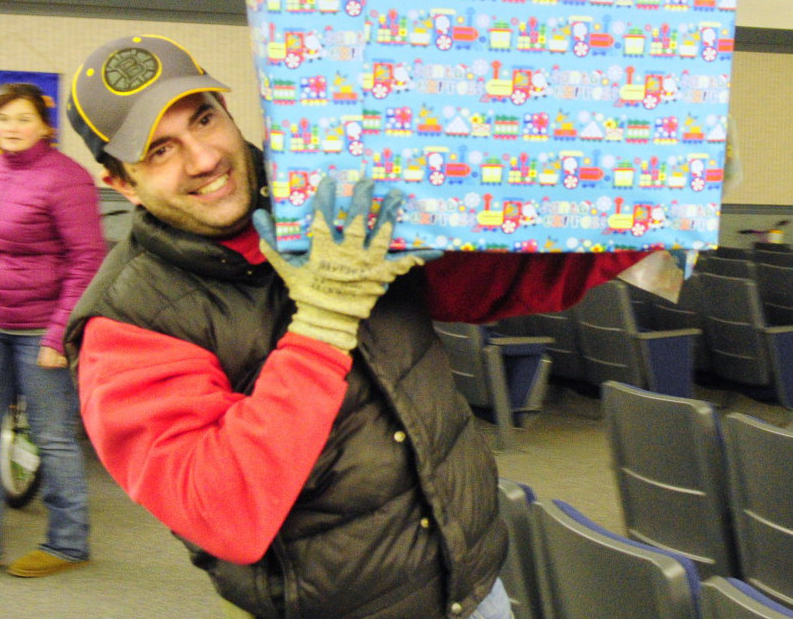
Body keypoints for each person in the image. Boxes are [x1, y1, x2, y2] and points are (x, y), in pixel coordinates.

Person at [62, 34, 645, 619]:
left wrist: (647, 215)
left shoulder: (337, 192)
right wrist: (323, 320)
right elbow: (225, 511)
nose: (204, 158)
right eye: (160, 151)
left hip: (473, 582)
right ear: (123, 183)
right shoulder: (125, 324)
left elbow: (493, 277)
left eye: (205, 119)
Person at [0, 83, 106, 578]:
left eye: (23, 119)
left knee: (53, 438)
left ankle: (68, 544)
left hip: (42, 328)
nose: (12, 128)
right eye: (4, 118)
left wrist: (59, 336)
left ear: (45, 127)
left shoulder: (67, 179)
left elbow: (87, 261)